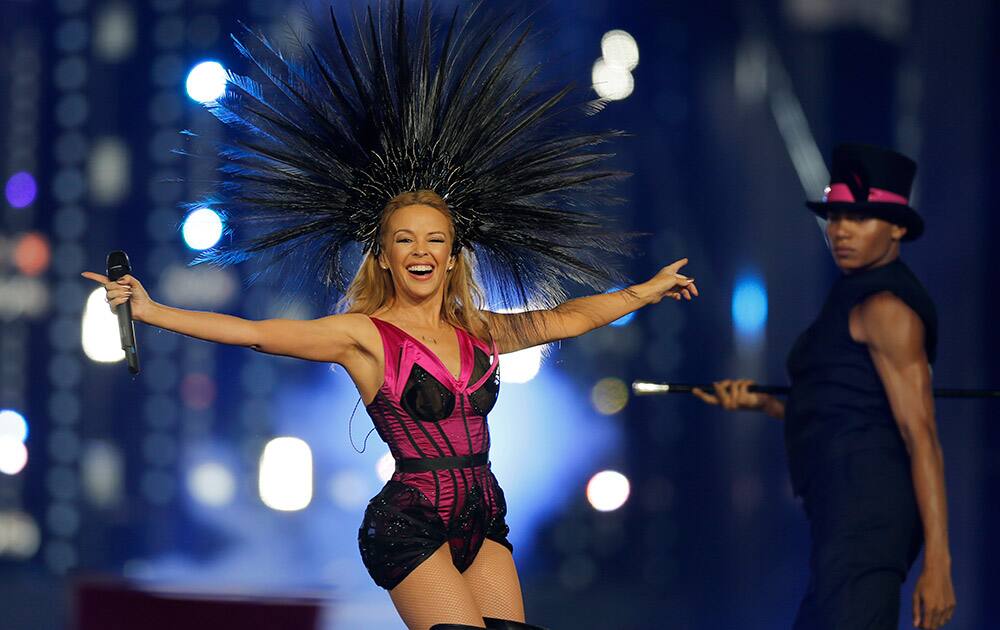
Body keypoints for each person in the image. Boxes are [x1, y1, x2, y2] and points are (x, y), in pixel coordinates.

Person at [84, 4, 699, 629]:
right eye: (404, 240)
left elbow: (565, 318)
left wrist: (642, 292)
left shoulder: (480, 330)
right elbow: (258, 334)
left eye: (434, 239)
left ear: (454, 252)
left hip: (483, 514)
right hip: (410, 522)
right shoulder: (364, 336)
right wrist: (152, 309)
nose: (421, 252)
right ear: (383, 254)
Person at [693, 144, 955, 630]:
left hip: (868, 518)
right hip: (841, 514)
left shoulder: (887, 308)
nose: (841, 231)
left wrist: (939, 564)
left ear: (897, 226)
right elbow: (843, 408)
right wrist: (764, 403)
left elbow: (923, 436)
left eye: (859, 218)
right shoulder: (851, 294)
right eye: (835, 218)